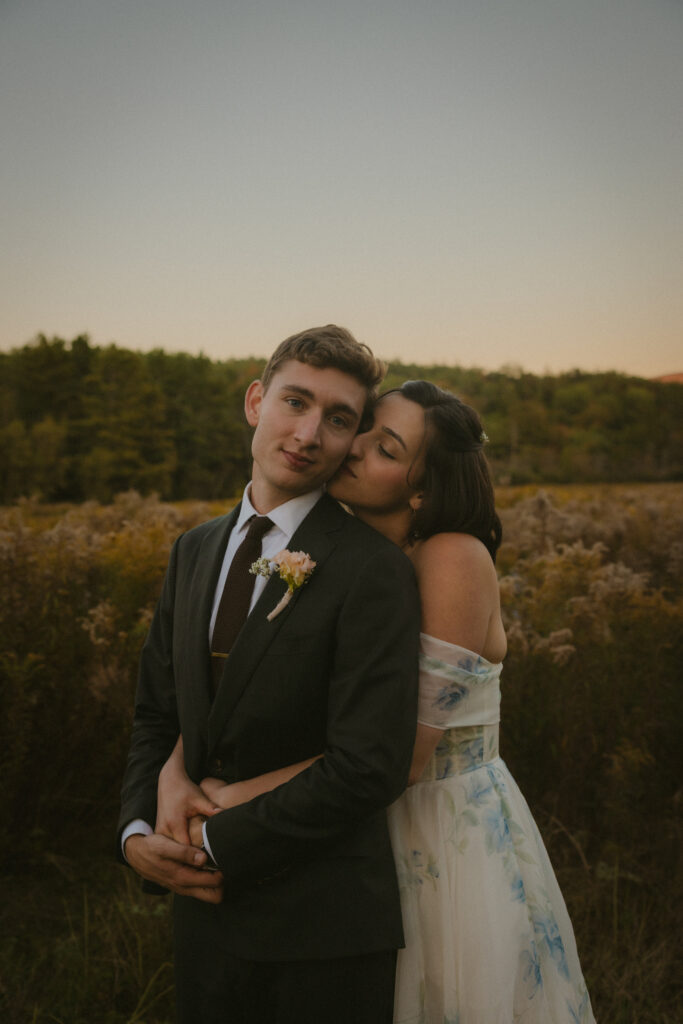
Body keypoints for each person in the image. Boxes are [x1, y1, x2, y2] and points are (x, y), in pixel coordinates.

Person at [162, 379, 595, 1022]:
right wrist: (177, 771)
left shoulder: (451, 557)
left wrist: (230, 798)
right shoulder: (334, 547)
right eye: (362, 429)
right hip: (350, 824)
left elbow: (403, 758)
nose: (354, 448)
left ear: (421, 490)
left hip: (441, 829)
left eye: (386, 447)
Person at [117, 325, 421, 1024]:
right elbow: (157, 716)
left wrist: (209, 843)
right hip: (203, 929)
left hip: (322, 935)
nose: (309, 433)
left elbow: (369, 765)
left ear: (350, 439)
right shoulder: (192, 549)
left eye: (338, 419)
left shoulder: (372, 570)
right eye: (295, 401)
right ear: (256, 401)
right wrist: (137, 835)